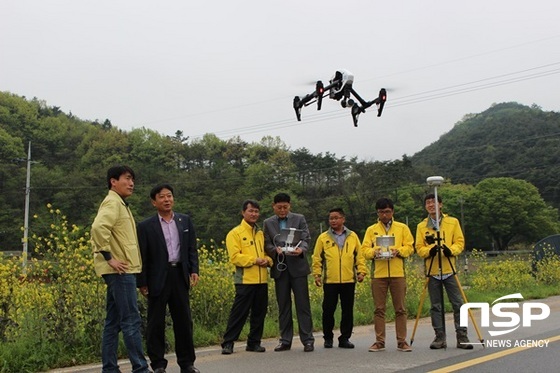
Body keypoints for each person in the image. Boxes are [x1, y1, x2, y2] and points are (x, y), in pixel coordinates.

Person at [91, 165, 150, 373]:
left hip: (122, 271)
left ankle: (109, 368)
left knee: (113, 322)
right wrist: (109, 258)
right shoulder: (112, 202)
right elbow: (98, 228)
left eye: (133, 179)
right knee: (131, 320)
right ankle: (140, 368)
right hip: (120, 272)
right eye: (127, 178)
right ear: (113, 181)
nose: (131, 183)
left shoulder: (121, 204)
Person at [137, 184, 200, 373]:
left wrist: (194, 270)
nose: (167, 200)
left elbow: (191, 249)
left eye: (169, 196)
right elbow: (143, 255)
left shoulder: (184, 221)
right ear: (153, 202)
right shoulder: (146, 226)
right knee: (156, 322)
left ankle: (187, 363)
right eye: (162, 197)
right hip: (157, 277)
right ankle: (157, 364)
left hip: (179, 274)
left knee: (184, 321)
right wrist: (142, 281)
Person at [415, 193, 472, 350]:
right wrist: (429, 251)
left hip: (449, 269)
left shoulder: (452, 222)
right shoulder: (421, 226)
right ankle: (440, 337)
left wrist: (451, 250)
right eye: (428, 203)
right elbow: (419, 248)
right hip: (433, 270)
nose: (431, 205)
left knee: (458, 304)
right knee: (436, 305)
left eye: (434, 202)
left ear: (441, 205)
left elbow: (460, 242)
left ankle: (462, 336)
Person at [263, 192, 315, 352]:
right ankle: (285, 340)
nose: (282, 210)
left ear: (289, 206)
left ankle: (307, 340)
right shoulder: (268, 223)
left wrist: (301, 250)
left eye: (285, 207)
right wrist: (274, 250)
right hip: (280, 268)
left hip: (298, 267)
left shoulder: (299, 218)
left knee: (303, 305)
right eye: (279, 207)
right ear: (273, 206)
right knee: (283, 305)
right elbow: (266, 243)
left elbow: (306, 239)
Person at [361, 198, 414, 353]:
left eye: (387, 211)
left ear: (393, 212)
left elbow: (410, 247)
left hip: (398, 273)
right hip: (379, 274)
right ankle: (379, 341)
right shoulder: (371, 230)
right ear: (377, 213)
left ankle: (402, 341)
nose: (384, 215)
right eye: (381, 212)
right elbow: (364, 250)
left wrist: (399, 251)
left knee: (400, 309)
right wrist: (374, 252)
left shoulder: (402, 228)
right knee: (379, 309)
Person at [221, 200, 273, 355]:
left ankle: (254, 342)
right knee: (239, 313)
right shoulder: (235, 233)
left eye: (256, 211)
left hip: (261, 279)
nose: (254, 214)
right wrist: (254, 260)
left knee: (259, 313)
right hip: (245, 280)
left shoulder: (260, 233)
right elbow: (235, 257)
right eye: (251, 211)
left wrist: (268, 261)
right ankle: (228, 342)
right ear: (243, 213)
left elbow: (267, 254)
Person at [312, 208, 367, 349]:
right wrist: (317, 274)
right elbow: (317, 258)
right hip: (330, 281)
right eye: (331, 218)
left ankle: (345, 338)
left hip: (348, 280)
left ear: (343, 219)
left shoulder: (352, 236)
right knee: (328, 310)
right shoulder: (323, 238)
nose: (333, 221)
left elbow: (359, 256)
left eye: (336, 218)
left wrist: (361, 271)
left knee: (347, 310)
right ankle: (328, 338)